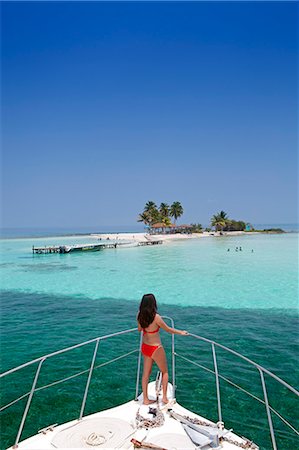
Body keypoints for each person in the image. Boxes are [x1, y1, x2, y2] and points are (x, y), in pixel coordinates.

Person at [137, 293, 188, 405]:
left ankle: (145, 399)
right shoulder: (156, 317)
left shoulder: (140, 315)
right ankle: (164, 398)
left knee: (146, 374)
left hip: (145, 347)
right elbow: (168, 329)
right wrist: (181, 332)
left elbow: (139, 329)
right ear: (153, 303)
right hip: (156, 348)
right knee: (164, 372)